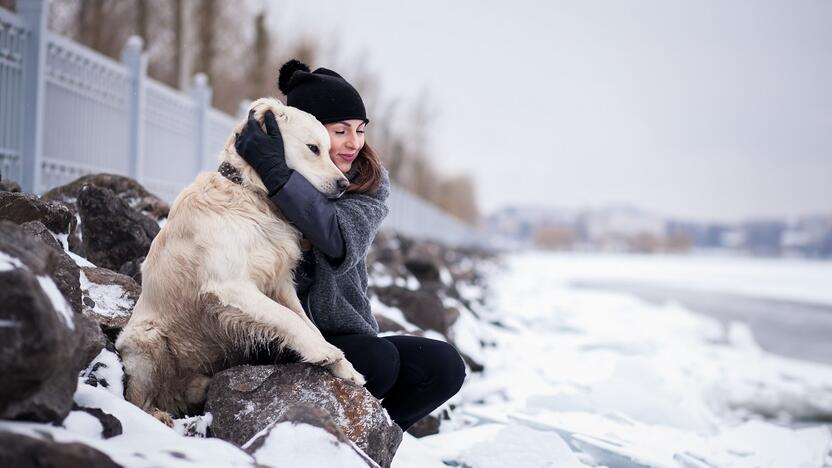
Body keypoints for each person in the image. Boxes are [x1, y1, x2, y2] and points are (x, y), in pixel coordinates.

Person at [234, 59, 466, 431]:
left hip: (342, 332)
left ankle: (372, 440)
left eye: (360, 130)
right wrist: (274, 172)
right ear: (310, 129)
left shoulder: (367, 181)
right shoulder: (255, 175)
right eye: (340, 131)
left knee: (442, 365)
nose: (354, 143)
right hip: (272, 334)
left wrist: (279, 178)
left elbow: (339, 240)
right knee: (378, 362)